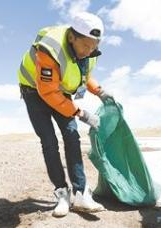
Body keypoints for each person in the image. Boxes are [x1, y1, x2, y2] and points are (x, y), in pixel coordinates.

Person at [18, 12, 114, 217]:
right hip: (34, 91)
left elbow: (83, 75)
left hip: (58, 90)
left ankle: (80, 193)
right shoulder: (50, 49)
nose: (89, 51)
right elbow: (47, 91)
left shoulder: (89, 52)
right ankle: (61, 192)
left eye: (93, 46)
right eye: (85, 46)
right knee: (49, 141)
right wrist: (80, 113)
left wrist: (100, 92)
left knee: (72, 135)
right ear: (72, 37)